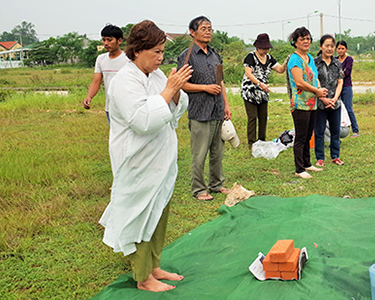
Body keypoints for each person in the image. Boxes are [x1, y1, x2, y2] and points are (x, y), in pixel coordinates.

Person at [99, 20, 193, 292]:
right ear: (137, 50)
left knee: (158, 211)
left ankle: (154, 266)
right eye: (156, 52)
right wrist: (168, 91)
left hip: (160, 158)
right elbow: (142, 121)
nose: (161, 58)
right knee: (140, 214)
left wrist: (175, 92)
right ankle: (143, 278)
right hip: (137, 160)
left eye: (163, 52)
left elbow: (175, 109)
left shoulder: (157, 76)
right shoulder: (124, 81)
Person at [177, 16, 232, 201]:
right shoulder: (187, 56)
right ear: (192, 32)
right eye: (203, 28)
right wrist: (204, 88)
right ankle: (199, 189)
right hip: (200, 110)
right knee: (199, 153)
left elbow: (220, 81)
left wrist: (226, 104)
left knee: (218, 151)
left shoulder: (215, 54)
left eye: (210, 28)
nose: (208, 31)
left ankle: (216, 185)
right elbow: (181, 84)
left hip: (217, 109)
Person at [286, 27, 328, 179]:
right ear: (295, 42)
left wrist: (321, 92)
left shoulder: (309, 57)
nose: (306, 41)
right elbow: (299, 82)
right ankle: (299, 168)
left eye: (308, 38)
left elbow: (314, 79)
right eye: (302, 39)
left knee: (309, 134)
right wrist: (316, 91)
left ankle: (307, 163)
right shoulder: (294, 58)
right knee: (301, 136)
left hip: (312, 103)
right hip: (300, 104)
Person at [241, 33, 285, 148]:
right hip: (250, 91)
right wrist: (260, 84)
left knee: (263, 117)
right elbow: (248, 73)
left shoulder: (269, 58)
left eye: (267, 48)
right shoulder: (250, 57)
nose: (266, 50)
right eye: (263, 48)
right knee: (252, 118)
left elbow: (280, 69)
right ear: (258, 47)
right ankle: (251, 143)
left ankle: (262, 141)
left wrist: (286, 62)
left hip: (263, 93)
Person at [82, 24, 130, 125]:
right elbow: (96, 82)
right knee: (115, 137)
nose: (106, 43)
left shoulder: (128, 59)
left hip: (128, 105)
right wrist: (89, 97)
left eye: (109, 40)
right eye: (104, 40)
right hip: (110, 107)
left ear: (119, 41)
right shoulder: (101, 59)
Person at [314, 34, 344, 167]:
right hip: (320, 102)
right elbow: (315, 81)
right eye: (327, 45)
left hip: (335, 102)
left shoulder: (337, 63)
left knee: (335, 131)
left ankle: (335, 156)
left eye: (332, 46)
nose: (330, 48)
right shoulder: (315, 63)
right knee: (319, 131)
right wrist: (323, 98)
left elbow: (340, 82)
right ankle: (320, 157)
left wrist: (335, 99)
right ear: (321, 47)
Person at [336, 40, 359, 137]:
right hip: (337, 87)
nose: (340, 50)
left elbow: (347, 72)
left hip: (346, 87)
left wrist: (336, 75)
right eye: (339, 48)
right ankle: (339, 129)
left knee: (348, 108)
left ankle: (355, 130)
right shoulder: (334, 60)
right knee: (337, 109)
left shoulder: (349, 59)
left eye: (342, 48)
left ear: (346, 49)